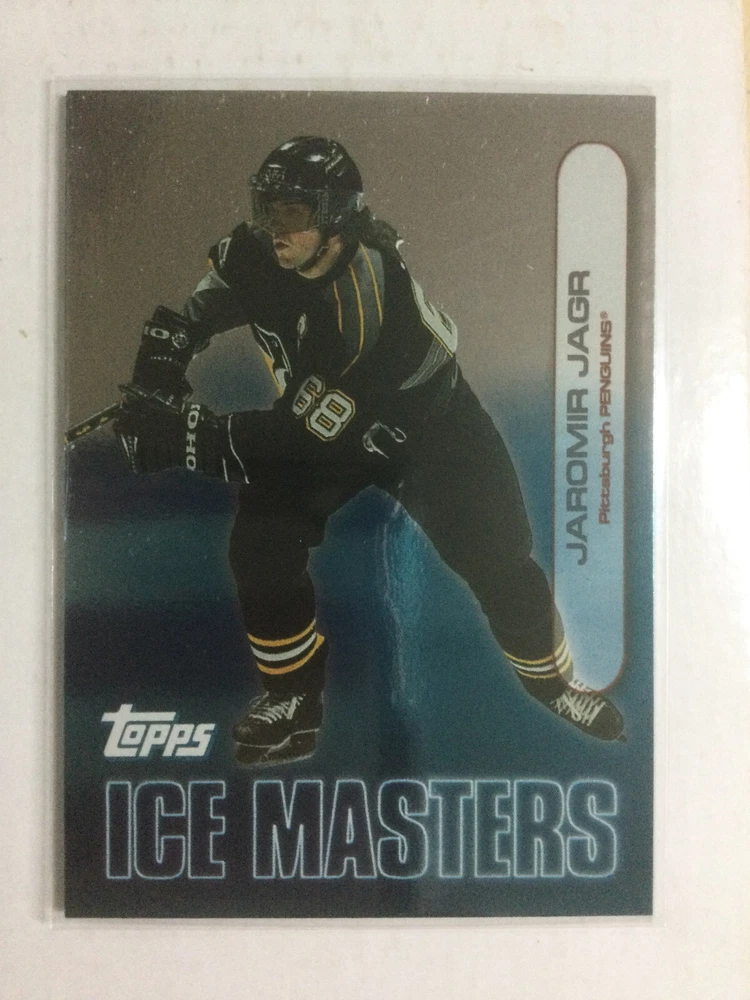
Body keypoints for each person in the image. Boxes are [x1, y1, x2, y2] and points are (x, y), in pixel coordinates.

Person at [116, 135, 624, 765]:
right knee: (261, 542)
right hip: (327, 420)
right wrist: (156, 377)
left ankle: (554, 685)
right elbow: (188, 319)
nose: (273, 228)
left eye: (291, 212)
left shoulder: (367, 301)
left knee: (501, 561)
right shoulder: (256, 252)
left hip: (430, 432)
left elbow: (295, 439)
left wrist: (182, 437)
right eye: (265, 207)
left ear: (334, 218)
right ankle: (292, 699)